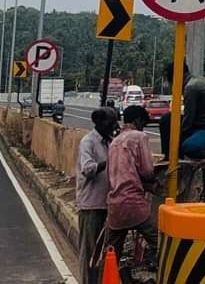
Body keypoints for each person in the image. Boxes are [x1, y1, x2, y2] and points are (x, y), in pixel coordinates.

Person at [103, 105, 157, 259]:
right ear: (138, 121)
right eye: (143, 123)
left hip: (115, 203)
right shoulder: (139, 137)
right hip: (133, 202)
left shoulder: (114, 142)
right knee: (158, 241)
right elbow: (147, 171)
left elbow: (109, 174)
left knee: (112, 252)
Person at [158, 60, 205, 160]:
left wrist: (177, 138)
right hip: (200, 127)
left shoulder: (191, 88)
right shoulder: (197, 81)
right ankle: (168, 157)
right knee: (167, 119)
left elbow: (188, 118)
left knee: (187, 146)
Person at [77, 107, 117, 284]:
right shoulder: (88, 142)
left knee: (103, 251)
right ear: (99, 122)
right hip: (91, 204)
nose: (114, 125)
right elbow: (87, 169)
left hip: (108, 203)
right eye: (111, 121)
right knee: (89, 252)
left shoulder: (111, 142)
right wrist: (109, 161)